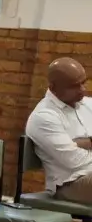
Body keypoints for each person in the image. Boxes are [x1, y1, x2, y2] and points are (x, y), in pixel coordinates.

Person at [26, 57, 92, 204]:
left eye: (83, 82)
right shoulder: (44, 116)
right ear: (53, 87)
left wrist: (80, 143)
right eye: (75, 86)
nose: (83, 89)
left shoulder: (86, 104)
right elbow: (74, 161)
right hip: (70, 183)